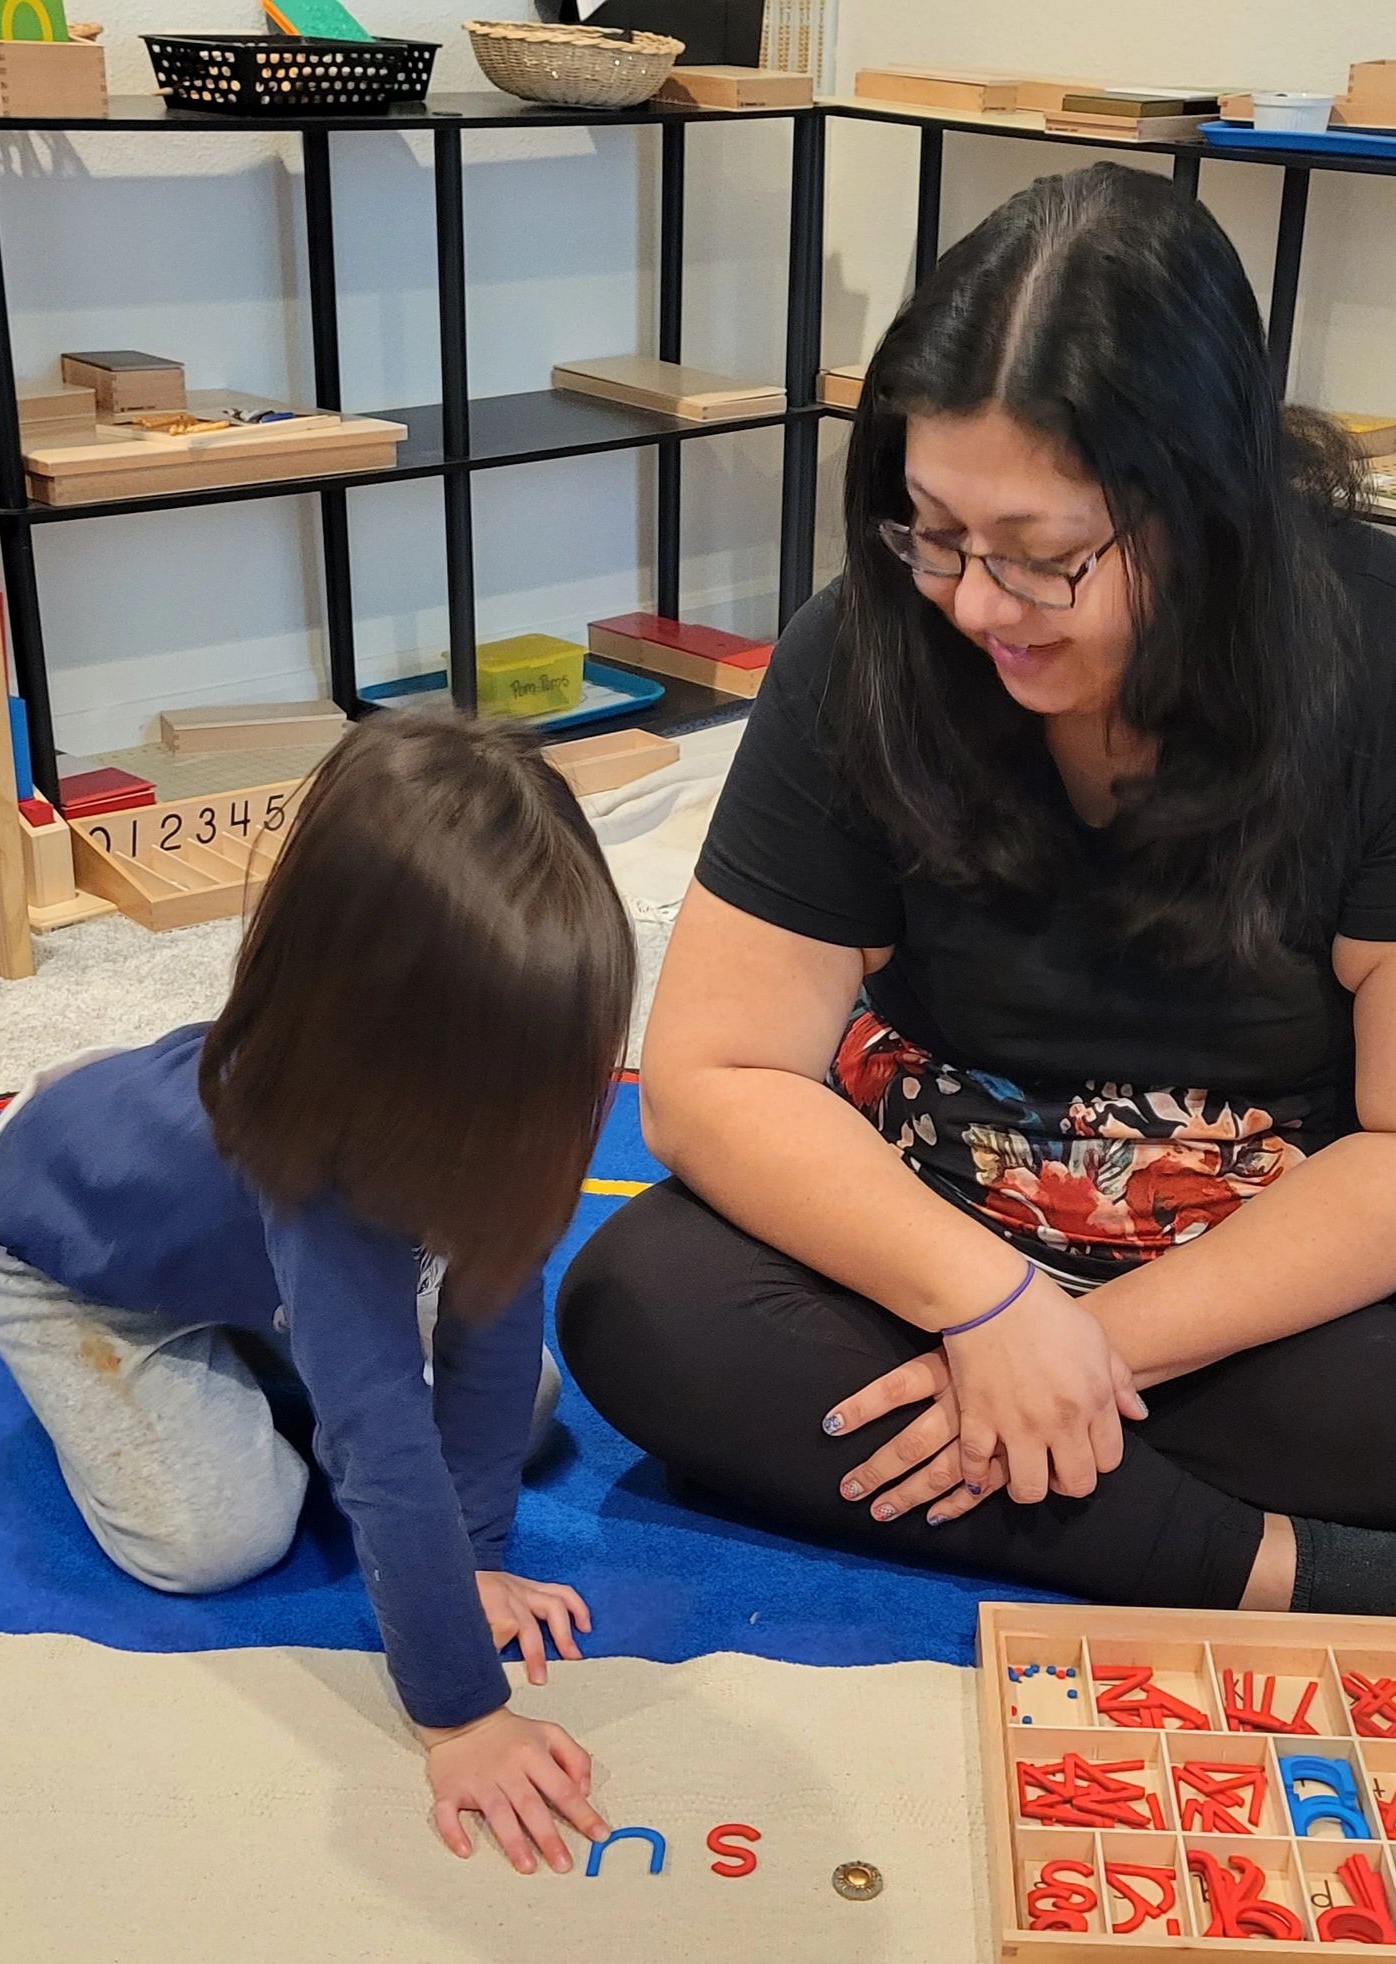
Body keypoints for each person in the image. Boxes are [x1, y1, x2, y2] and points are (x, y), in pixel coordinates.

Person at [559, 163, 1396, 1620]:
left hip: (1257, 1253)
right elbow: (712, 1073)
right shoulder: (867, 648)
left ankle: (1058, 1481)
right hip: (934, 1226)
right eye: (931, 529)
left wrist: (1092, 1350)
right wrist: (992, 1308)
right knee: (643, 1311)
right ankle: (1274, 1569)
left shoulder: (1373, 662)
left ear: (1204, 512)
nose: (971, 604)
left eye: (1042, 559)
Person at [0, 712, 637, 1873]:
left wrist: (472, 1554)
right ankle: (242, 1332)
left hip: (246, 1244)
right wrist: (462, 1713)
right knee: (220, 1535)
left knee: (519, 1402)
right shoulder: (317, 1160)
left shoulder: (516, 1073)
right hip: (66, 1241)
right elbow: (375, 1435)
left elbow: (497, 1290)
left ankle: (277, 1342)